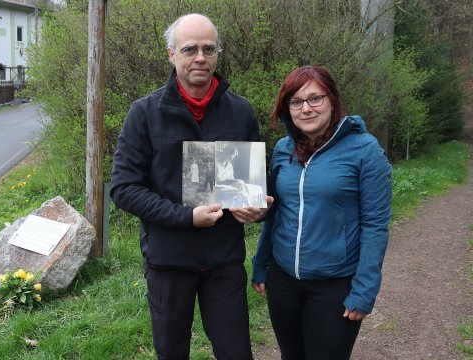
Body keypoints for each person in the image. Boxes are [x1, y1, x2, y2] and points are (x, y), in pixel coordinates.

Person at [111, 13, 272, 360]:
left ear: (217, 53)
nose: (200, 57)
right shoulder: (144, 113)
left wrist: (258, 209)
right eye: (190, 49)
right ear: (172, 54)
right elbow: (123, 188)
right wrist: (186, 217)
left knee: (237, 354)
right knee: (172, 353)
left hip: (224, 262)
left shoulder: (241, 112)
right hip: (169, 261)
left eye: (208, 48)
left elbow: (254, 185)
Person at [251, 65, 392, 360]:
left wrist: (365, 289)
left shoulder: (365, 150)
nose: (306, 108)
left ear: (333, 100)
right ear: (287, 107)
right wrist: (261, 262)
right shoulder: (282, 149)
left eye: (316, 98)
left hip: (335, 285)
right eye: (296, 101)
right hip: (283, 281)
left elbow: (375, 224)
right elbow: (276, 212)